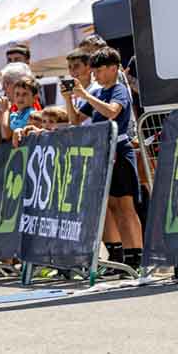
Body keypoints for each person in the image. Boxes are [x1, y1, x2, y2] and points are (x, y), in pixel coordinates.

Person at [66, 47, 144, 270]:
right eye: (94, 71)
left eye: (99, 70)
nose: (96, 75)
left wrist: (86, 95)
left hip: (120, 150)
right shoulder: (98, 92)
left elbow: (112, 111)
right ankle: (124, 257)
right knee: (113, 206)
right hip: (104, 153)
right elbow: (75, 120)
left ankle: (137, 255)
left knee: (126, 206)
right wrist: (69, 99)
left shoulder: (119, 89)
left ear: (113, 68)